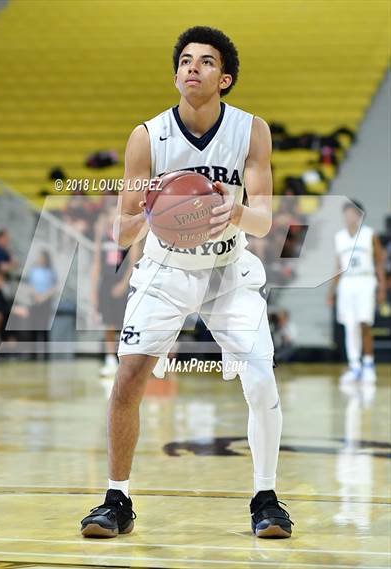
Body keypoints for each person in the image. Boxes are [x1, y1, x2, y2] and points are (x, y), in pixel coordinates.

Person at [80, 26, 293, 540]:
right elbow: (120, 229)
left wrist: (235, 209)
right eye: (185, 61)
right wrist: (152, 209)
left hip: (228, 272)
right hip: (166, 268)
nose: (192, 67)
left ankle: (266, 498)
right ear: (176, 74)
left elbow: (264, 221)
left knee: (260, 378)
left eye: (205, 61)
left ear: (226, 78)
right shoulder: (147, 137)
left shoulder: (250, 130)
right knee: (129, 377)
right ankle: (117, 499)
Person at [328, 201, 385, 383]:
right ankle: (354, 366)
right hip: (346, 283)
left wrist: (382, 287)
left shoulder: (370, 234)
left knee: (364, 323)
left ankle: (368, 364)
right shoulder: (339, 237)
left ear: (359, 215)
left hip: (366, 280)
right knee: (350, 325)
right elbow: (338, 266)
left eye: (351, 213)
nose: (348, 217)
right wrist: (332, 290)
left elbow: (379, 262)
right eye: (345, 214)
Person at [91, 205, 140, 376]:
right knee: (108, 324)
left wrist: (124, 284)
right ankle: (110, 359)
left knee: (125, 323)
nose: (112, 217)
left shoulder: (129, 236)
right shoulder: (103, 237)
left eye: (115, 214)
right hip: (106, 283)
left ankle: (126, 360)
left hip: (123, 282)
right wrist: (93, 293)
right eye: (110, 214)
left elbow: (134, 262)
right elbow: (96, 264)